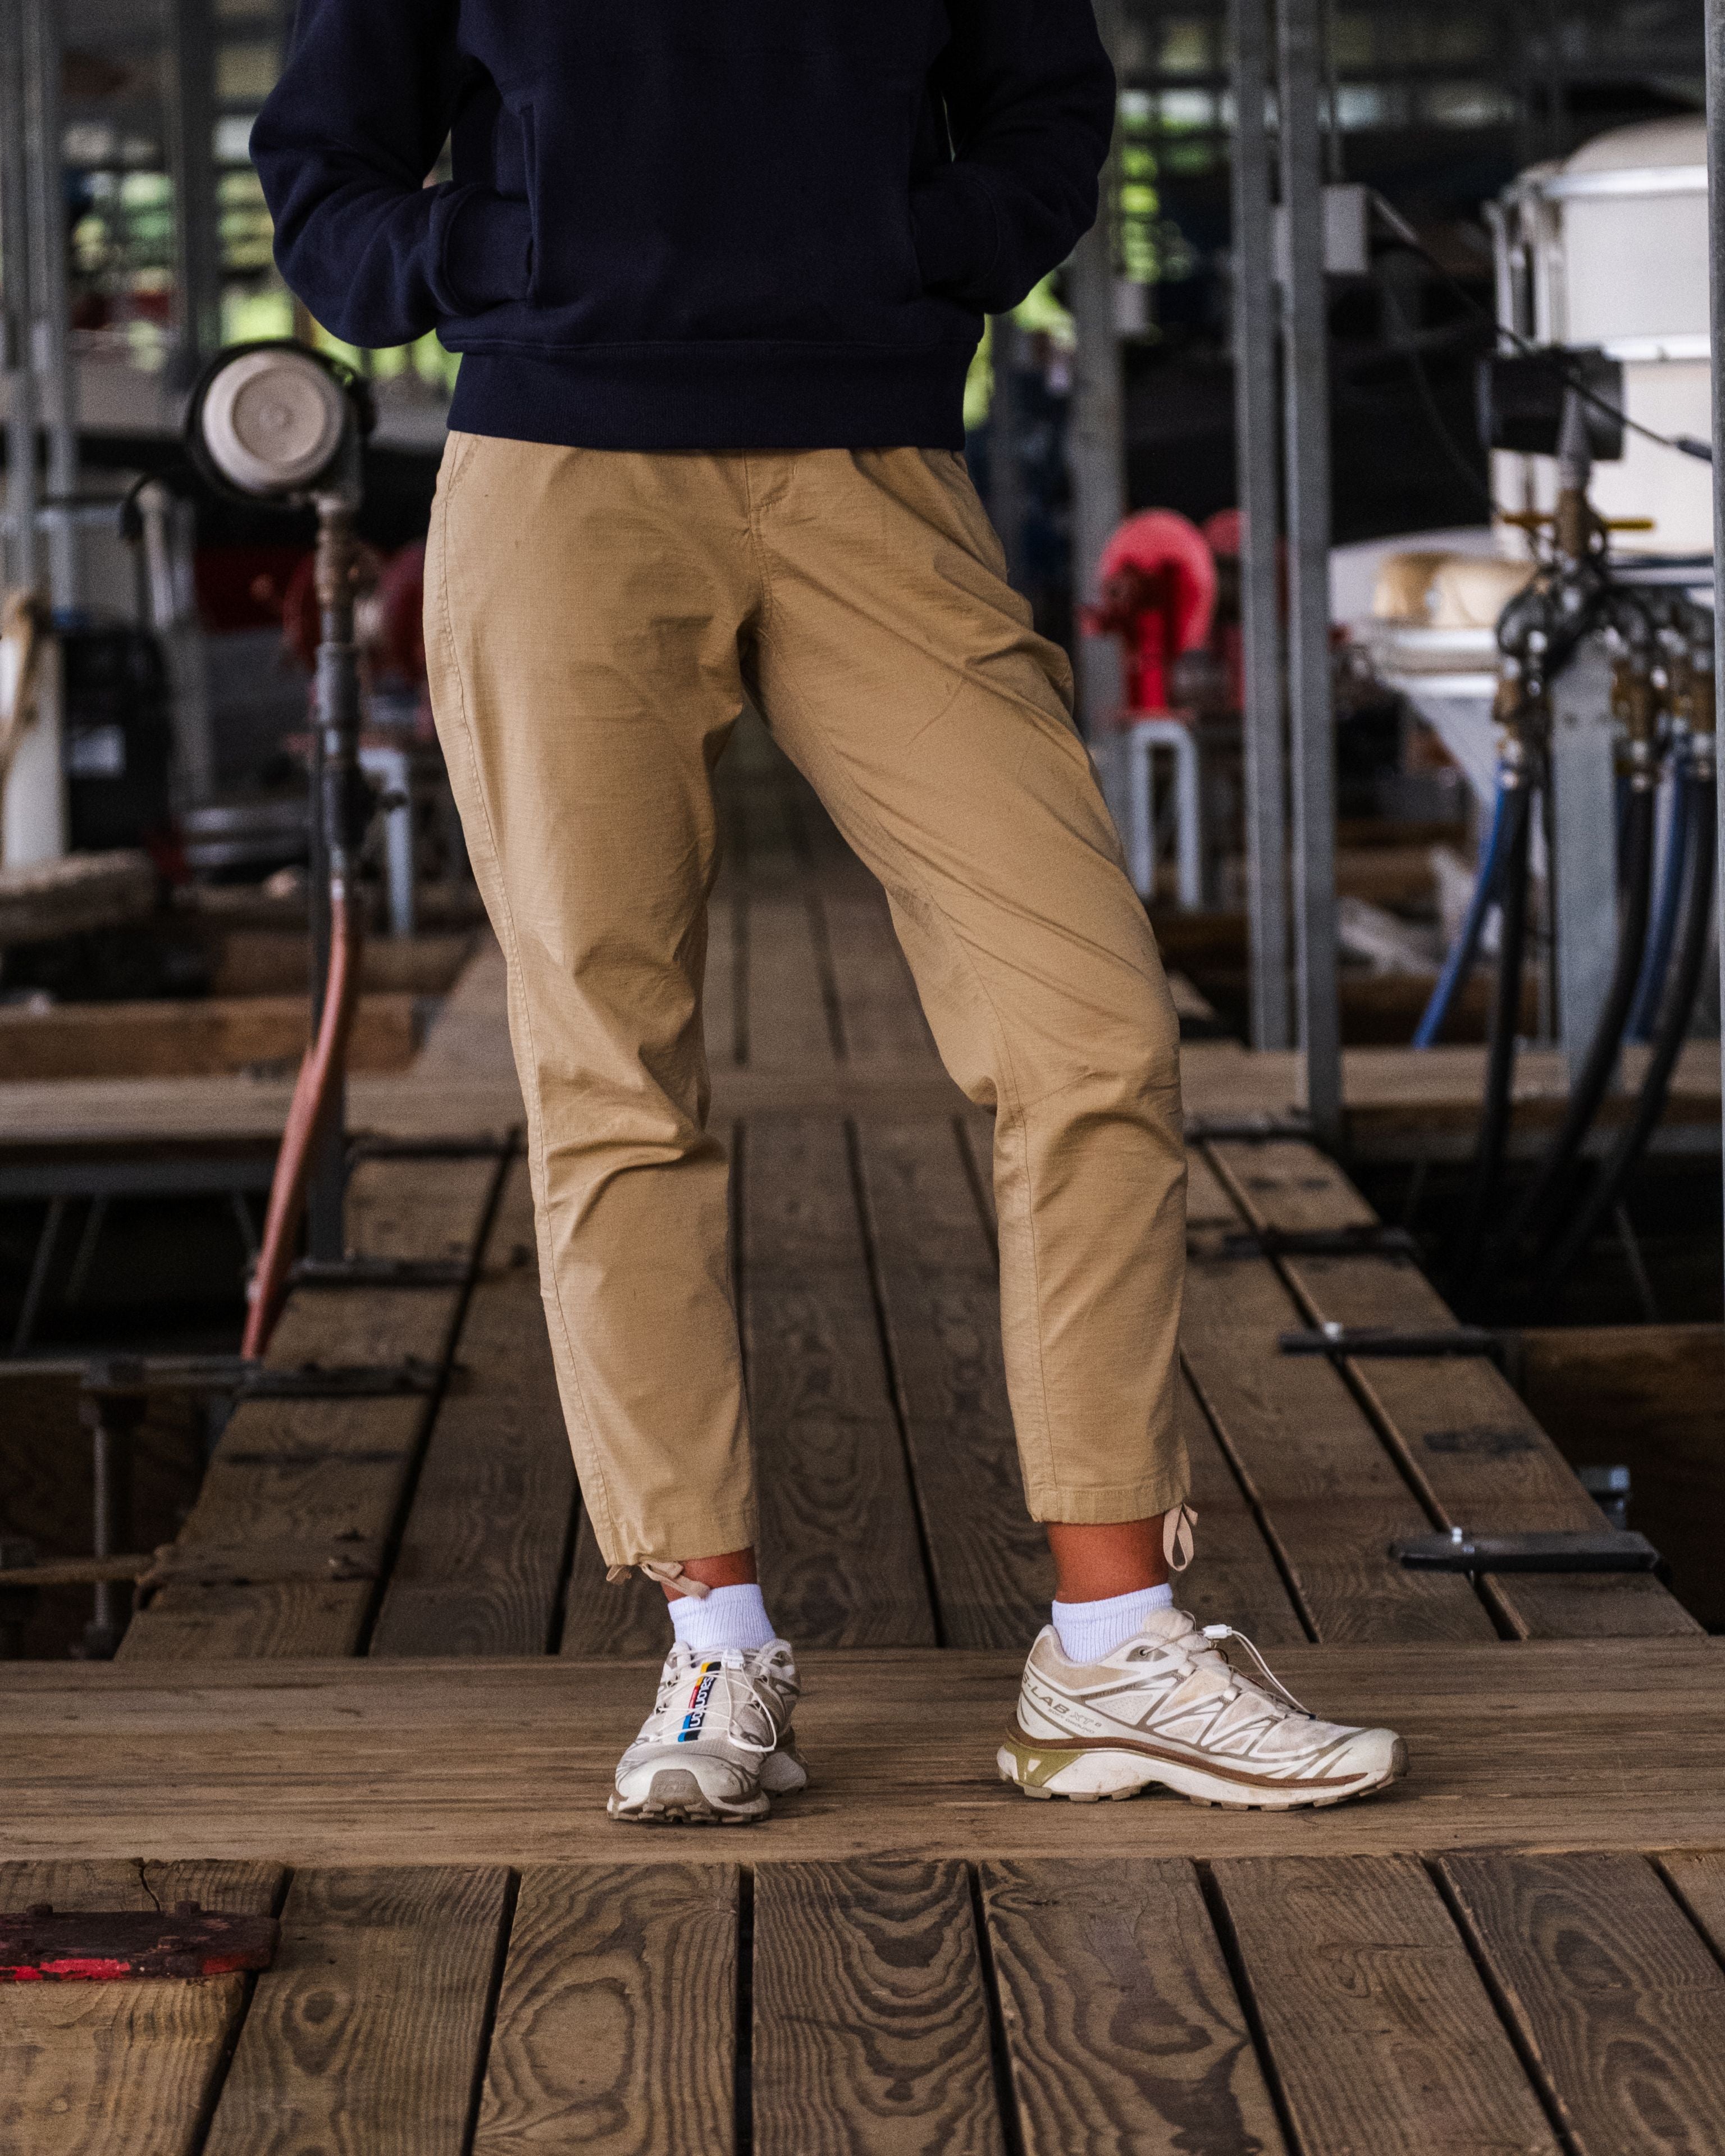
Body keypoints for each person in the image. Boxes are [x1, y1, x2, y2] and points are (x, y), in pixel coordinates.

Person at [253, 0, 1405, 1825]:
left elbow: (1046, 112)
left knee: (1090, 1024)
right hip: (559, 470)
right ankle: (714, 1642)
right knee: (614, 1063)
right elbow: (323, 182)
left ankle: (1116, 1650)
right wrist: (521, 260)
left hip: (873, 470)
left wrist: (900, 248)